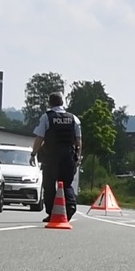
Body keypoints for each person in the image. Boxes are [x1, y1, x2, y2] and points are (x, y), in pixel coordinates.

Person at [30, 92, 82, 222]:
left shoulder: (47, 117)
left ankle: (51, 212)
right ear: (62, 102)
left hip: (52, 155)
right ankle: (70, 208)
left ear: (50, 103)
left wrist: (33, 153)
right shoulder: (73, 118)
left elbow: (39, 138)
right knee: (66, 184)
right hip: (68, 156)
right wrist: (78, 156)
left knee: (49, 185)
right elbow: (78, 139)